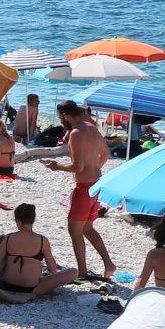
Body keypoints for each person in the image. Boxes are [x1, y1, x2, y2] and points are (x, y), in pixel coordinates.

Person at [43, 99, 116, 280]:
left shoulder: (76, 133)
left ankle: (82, 273)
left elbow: (78, 167)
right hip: (97, 184)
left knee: (75, 231)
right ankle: (108, 264)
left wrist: (56, 165)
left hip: (84, 187)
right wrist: (95, 168)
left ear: (65, 115)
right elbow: (106, 153)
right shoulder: (91, 127)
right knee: (88, 228)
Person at [0, 202, 78, 301]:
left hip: (7, 286)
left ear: (18, 221)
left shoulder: (8, 238)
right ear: (33, 220)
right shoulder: (42, 240)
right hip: (31, 288)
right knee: (73, 272)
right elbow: (52, 269)